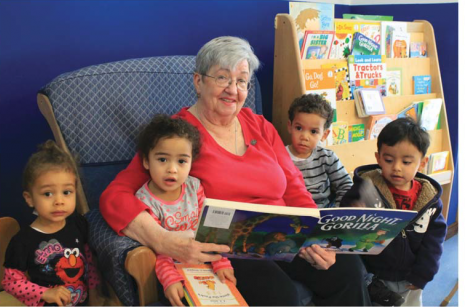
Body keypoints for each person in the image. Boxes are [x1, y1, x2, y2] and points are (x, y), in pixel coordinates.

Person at [100, 36, 370, 306]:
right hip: (230, 246)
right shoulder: (175, 137)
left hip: (285, 234)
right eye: (222, 78)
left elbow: (294, 186)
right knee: (279, 295)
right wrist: (162, 240)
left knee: (348, 271)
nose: (233, 89)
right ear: (198, 81)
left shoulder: (260, 126)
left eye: (241, 81)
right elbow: (115, 195)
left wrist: (315, 234)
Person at [340, 117, 447, 306]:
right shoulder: (366, 188)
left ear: (422, 163)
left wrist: (424, 272)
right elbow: (345, 226)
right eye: (389, 160)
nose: (396, 167)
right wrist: (353, 210)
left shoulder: (428, 199)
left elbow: (434, 240)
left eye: (406, 162)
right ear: (378, 157)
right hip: (376, 277)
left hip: (411, 277)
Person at [135, 114, 234, 306]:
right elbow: (158, 248)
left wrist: (221, 263)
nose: (172, 169)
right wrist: (170, 279)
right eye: (162, 160)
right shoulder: (144, 200)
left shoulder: (194, 187)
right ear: (146, 161)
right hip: (170, 271)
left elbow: (209, 231)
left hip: (205, 268)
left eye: (181, 161)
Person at [2, 140, 101, 306]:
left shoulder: (78, 223)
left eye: (66, 192)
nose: (59, 201)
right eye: (48, 193)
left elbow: (89, 263)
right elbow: (11, 283)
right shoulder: (22, 241)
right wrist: (45, 293)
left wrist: (95, 293)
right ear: (30, 198)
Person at [285, 94, 352, 208]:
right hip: (293, 216)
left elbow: (346, 185)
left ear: (324, 135)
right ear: (290, 126)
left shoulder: (327, 157)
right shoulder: (279, 156)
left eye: (313, 131)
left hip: (324, 215)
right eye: (299, 128)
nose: (305, 137)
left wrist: (337, 211)